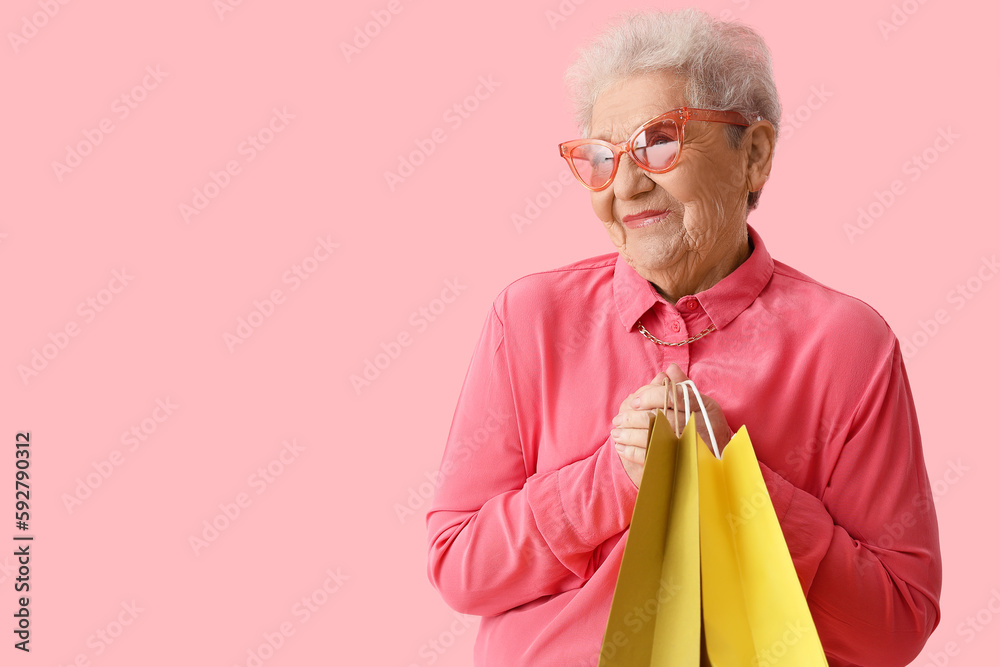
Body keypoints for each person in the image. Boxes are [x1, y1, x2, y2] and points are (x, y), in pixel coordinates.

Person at [425, 9, 941, 666]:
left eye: (659, 143)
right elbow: (458, 567)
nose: (628, 184)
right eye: (602, 158)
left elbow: (896, 625)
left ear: (753, 155)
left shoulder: (849, 344)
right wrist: (611, 478)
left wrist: (739, 485)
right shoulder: (528, 319)